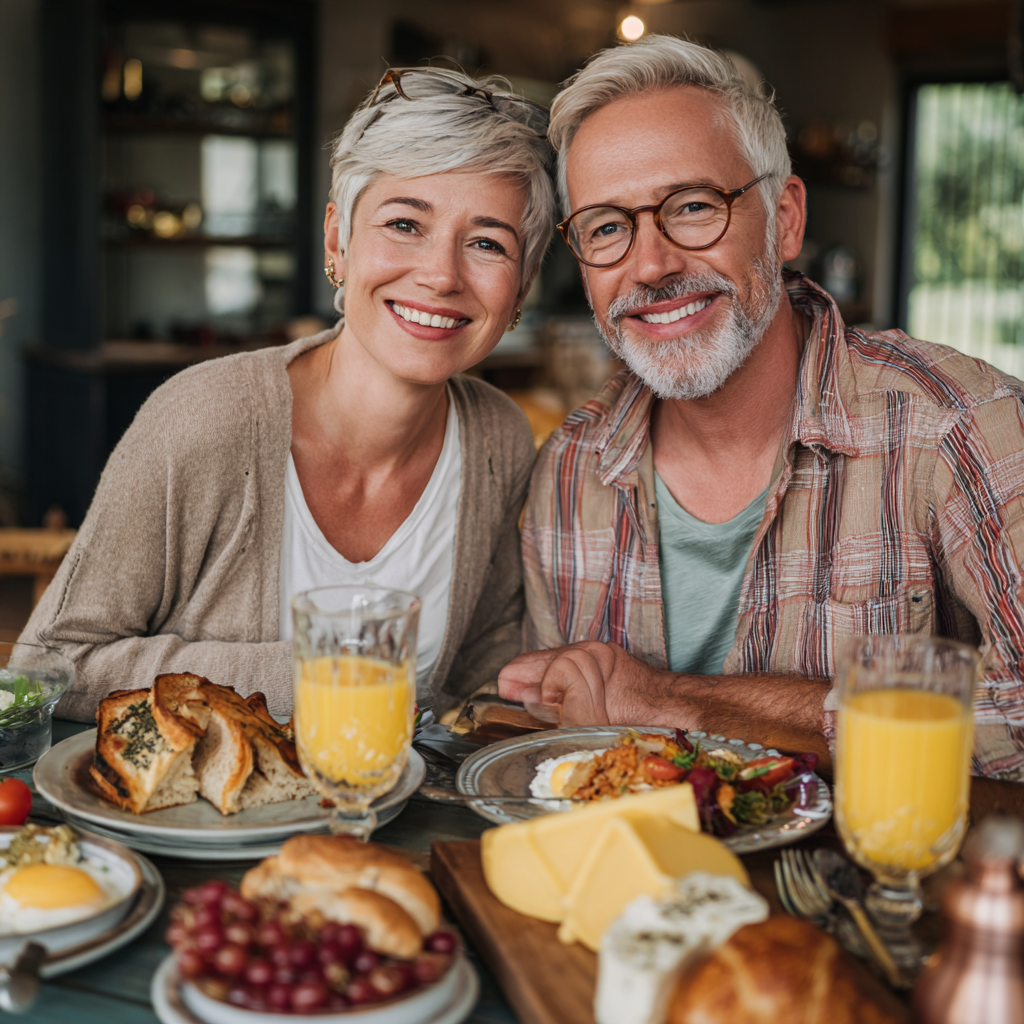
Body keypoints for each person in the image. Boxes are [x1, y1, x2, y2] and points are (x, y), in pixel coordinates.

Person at [498, 35, 1024, 778]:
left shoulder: (958, 424)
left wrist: (670, 700)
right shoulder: (569, 473)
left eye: (692, 206)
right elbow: (558, 766)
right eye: (608, 228)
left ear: (784, 220)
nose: (651, 265)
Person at [22, 67, 554, 722]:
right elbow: (50, 664)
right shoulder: (203, 419)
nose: (440, 275)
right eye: (404, 225)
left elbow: (482, 665)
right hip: (195, 824)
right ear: (337, 242)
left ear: (521, 290)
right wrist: (316, 674)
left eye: (486, 244)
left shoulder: (497, 437)